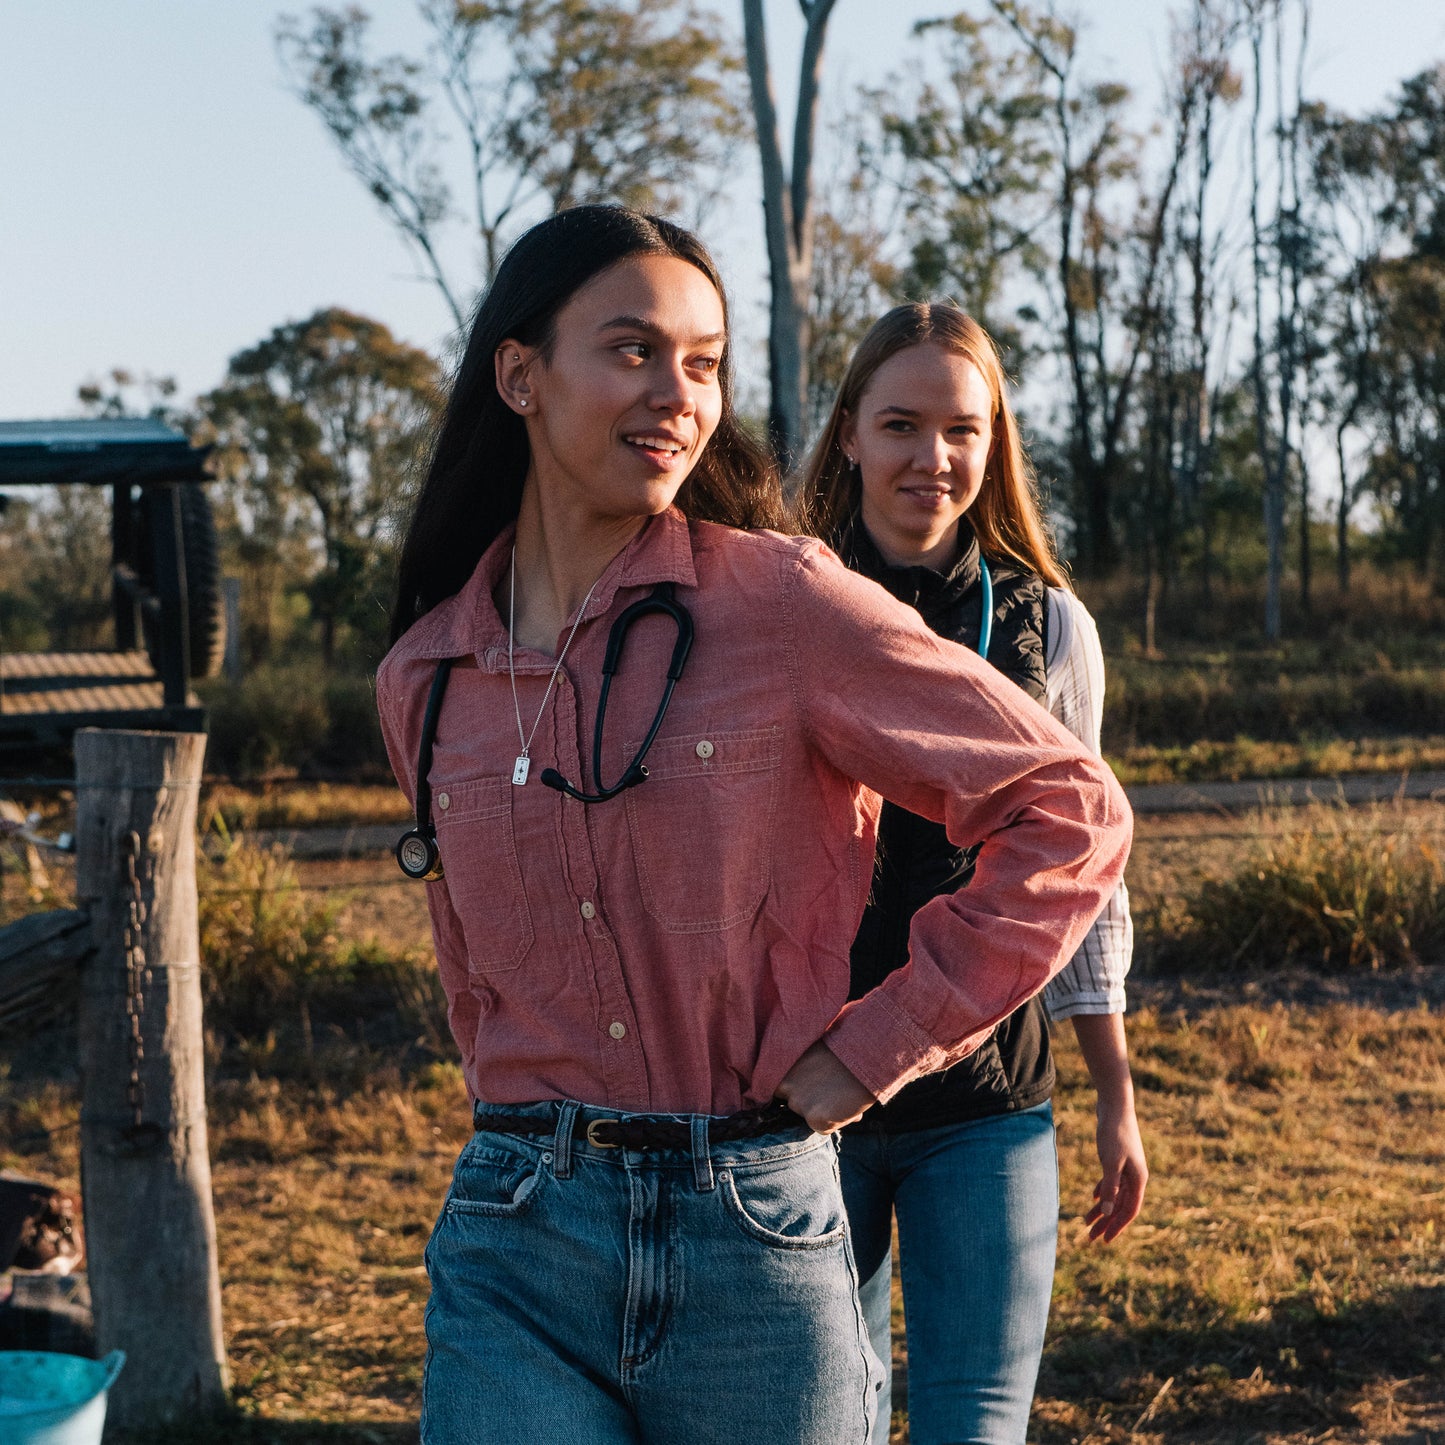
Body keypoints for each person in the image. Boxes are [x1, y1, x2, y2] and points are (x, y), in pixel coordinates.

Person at [375, 207, 1133, 1445]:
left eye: (703, 360)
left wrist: (875, 1043)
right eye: (631, 349)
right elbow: (475, 981)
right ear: (518, 372)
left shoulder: (783, 602)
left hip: (754, 1224)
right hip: (516, 1244)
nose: (679, 392)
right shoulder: (428, 676)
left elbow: (1069, 809)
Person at [795, 301, 1148, 1445]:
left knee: (974, 1425)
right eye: (899, 424)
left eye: (962, 428)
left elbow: (1083, 879)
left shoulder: (1051, 626)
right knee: (820, 1421)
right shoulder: (771, 601)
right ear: (848, 432)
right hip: (800, 1098)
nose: (930, 457)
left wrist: (1115, 1096)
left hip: (987, 1103)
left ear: (991, 442)